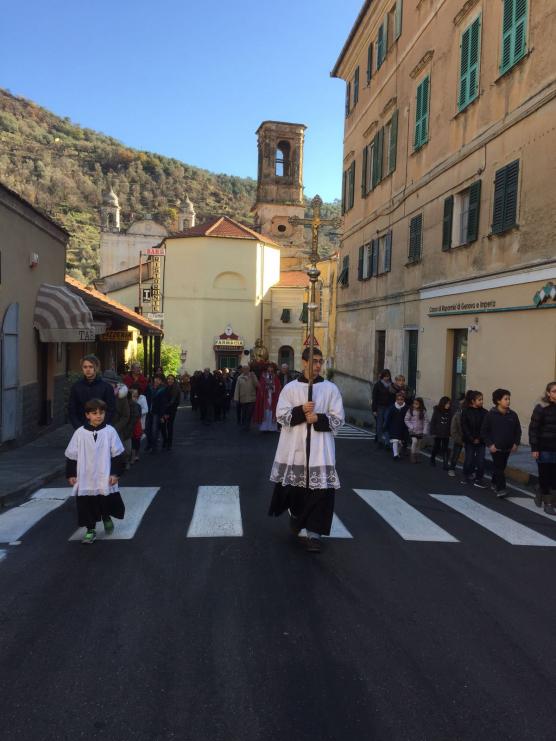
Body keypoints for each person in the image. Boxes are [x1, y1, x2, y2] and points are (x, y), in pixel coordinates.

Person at [268, 347, 345, 553]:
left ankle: (314, 533)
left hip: (320, 449)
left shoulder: (330, 389)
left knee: (320, 492)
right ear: (304, 363)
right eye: (314, 361)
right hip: (296, 447)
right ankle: (298, 522)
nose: (318, 365)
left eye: (321, 361)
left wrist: (318, 418)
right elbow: (281, 416)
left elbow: (339, 419)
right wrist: (301, 411)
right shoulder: (291, 388)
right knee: (297, 490)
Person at [65, 398, 126, 544]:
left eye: (101, 413)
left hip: (104, 474)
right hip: (86, 476)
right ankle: (90, 530)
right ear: (87, 415)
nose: (98, 416)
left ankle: (106, 517)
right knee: (87, 503)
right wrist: (71, 474)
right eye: (94, 413)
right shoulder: (80, 433)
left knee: (104, 500)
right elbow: (71, 455)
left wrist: (115, 473)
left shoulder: (110, 431)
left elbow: (118, 454)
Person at [481, 388, 521, 498]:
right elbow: (484, 431)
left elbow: (518, 430)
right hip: (496, 448)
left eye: (509, 399)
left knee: (501, 467)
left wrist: (516, 443)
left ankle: (494, 482)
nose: (508, 401)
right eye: (505, 399)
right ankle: (501, 489)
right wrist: (490, 444)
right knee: (499, 467)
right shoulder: (491, 414)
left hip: (508, 447)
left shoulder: (513, 415)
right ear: (498, 401)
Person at [529, 381, 556, 514]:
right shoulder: (541, 407)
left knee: (554, 477)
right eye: (554, 391)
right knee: (546, 476)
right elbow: (533, 429)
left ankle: (540, 491)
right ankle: (548, 503)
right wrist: (534, 448)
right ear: (548, 393)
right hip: (544, 447)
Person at [67, 355, 115, 429]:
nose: (88, 369)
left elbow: (111, 410)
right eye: (85, 367)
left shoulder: (106, 387)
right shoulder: (76, 387)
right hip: (82, 428)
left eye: (91, 367)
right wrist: (78, 427)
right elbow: (72, 410)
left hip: (102, 429)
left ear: (96, 368)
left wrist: (102, 426)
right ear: (82, 368)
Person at [460, 390, 488, 488]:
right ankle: (466, 475)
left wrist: (480, 438)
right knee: (469, 459)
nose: (481, 401)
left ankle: (479, 478)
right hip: (469, 440)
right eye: (479, 400)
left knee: (481, 460)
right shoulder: (466, 412)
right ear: (473, 401)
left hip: (481, 441)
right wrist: (472, 438)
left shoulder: (485, 412)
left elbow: (485, 427)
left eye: (482, 399)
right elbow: (464, 426)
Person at [102, 370, 130, 445]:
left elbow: (126, 416)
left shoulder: (121, 396)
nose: (108, 385)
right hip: (101, 430)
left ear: (115, 384)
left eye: (111, 383)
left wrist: (115, 428)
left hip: (116, 430)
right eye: (106, 383)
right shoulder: (99, 394)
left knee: (118, 453)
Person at [254, 364, 281, 432]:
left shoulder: (275, 377)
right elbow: (261, 386)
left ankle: (272, 427)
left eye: (271, 369)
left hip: (273, 397)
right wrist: (265, 388)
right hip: (265, 397)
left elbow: (278, 386)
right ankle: (264, 427)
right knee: (265, 411)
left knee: (272, 411)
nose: (270, 371)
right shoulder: (263, 376)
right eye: (269, 369)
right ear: (267, 369)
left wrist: (273, 387)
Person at [384, 391, 409, 461]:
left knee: (400, 442)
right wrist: (386, 426)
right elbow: (389, 418)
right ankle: (395, 454)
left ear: (404, 400)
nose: (400, 401)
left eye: (401, 399)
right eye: (398, 399)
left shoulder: (406, 408)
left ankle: (398, 452)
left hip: (403, 428)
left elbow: (409, 418)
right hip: (394, 427)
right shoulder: (392, 408)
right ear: (396, 400)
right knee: (395, 440)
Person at [233, 364, 259, 432]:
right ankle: (244, 425)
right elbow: (237, 389)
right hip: (243, 398)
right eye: (244, 369)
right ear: (242, 370)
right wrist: (236, 398)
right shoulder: (239, 378)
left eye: (247, 369)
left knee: (249, 413)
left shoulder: (253, 376)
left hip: (251, 398)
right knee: (244, 413)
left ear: (249, 369)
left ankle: (247, 426)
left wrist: (253, 377)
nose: (245, 370)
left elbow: (257, 385)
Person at [429, 396, 453, 469]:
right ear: (443, 403)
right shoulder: (437, 411)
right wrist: (433, 432)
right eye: (447, 404)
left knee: (445, 448)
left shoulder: (450, 412)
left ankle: (445, 464)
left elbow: (451, 423)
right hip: (437, 433)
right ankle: (432, 459)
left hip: (446, 433)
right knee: (436, 447)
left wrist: (451, 432)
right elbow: (433, 422)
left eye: (449, 404)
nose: (448, 405)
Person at [404, 397, 430, 464]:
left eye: (417, 404)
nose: (415, 405)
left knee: (418, 444)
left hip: (420, 431)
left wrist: (425, 430)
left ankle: (417, 456)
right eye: (414, 403)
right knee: (414, 441)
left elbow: (426, 421)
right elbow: (406, 420)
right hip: (412, 430)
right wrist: (411, 427)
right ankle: (412, 456)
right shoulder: (410, 410)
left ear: (420, 404)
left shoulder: (423, 411)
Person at [371, 369, 392, 448]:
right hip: (380, 407)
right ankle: (380, 440)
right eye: (385, 376)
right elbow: (374, 397)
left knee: (386, 423)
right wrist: (374, 409)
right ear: (382, 376)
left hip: (388, 407)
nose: (387, 378)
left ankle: (387, 442)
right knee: (379, 424)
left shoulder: (391, 385)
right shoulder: (378, 385)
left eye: (388, 376)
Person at [149, 374, 168, 453]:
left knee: (155, 429)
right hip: (150, 411)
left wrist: (162, 415)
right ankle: (152, 445)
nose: (156, 381)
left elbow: (163, 403)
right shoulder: (150, 388)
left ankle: (154, 447)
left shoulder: (163, 390)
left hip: (157, 412)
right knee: (149, 429)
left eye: (159, 379)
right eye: (156, 379)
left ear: (161, 381)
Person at [447, 394, 465, 477]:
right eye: (461, 402)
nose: (462, 404)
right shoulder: (457, 414)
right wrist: (460, 440)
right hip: (459, 438)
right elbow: (453, 430)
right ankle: (451, 468)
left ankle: (469, 472)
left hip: (469, 438)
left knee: (470, 457)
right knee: (456, 454)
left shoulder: (471, 412)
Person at [162, 373, 181, 449]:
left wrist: (168, 412)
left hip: (171, 410)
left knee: (169, 426)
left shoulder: (176, 389)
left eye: (172, 379)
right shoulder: (164, 388)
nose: (170, 380)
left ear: (174, 380)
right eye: (168, 379)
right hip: (163, 410)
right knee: (162, 426)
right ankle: (165, 440)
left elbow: (175, 402)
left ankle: (169, 443)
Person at [129, 386, 148, 463]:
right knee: (132, 441)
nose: (135, 398)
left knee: (136, 441)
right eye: (134, 396)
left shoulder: (138, 405)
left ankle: (135, 455)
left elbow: (142, 412)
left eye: (136, 396)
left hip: (137, 425)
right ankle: (132, 457)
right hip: (131, 425)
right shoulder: (128, 404)